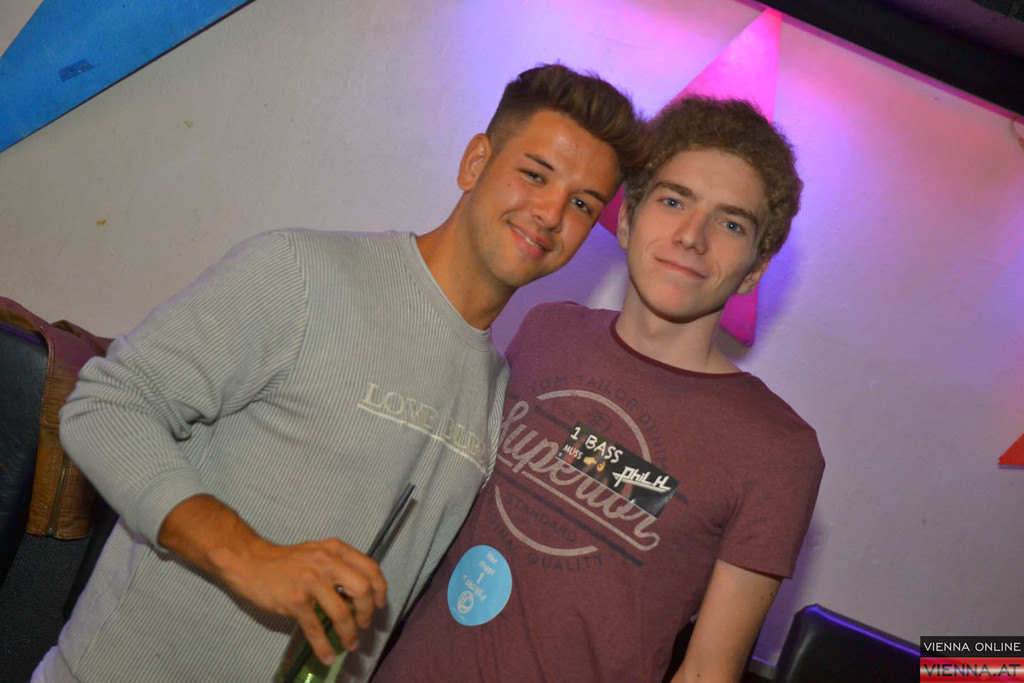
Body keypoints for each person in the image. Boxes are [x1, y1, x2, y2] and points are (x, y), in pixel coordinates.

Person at [33, 63, 646, 683]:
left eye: (581, 204)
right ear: (475, 162)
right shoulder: (303, 274)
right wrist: (251, 558)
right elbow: (105, 406)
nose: (550, 212)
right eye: (535, 174)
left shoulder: (495, 395)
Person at [371, 96, 825, 683]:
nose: (693, 237)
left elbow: (707, 670)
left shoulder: (777, 450)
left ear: (756, 269)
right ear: (628, 220)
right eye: (673, 201)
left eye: (731, 223)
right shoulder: (546, 330)